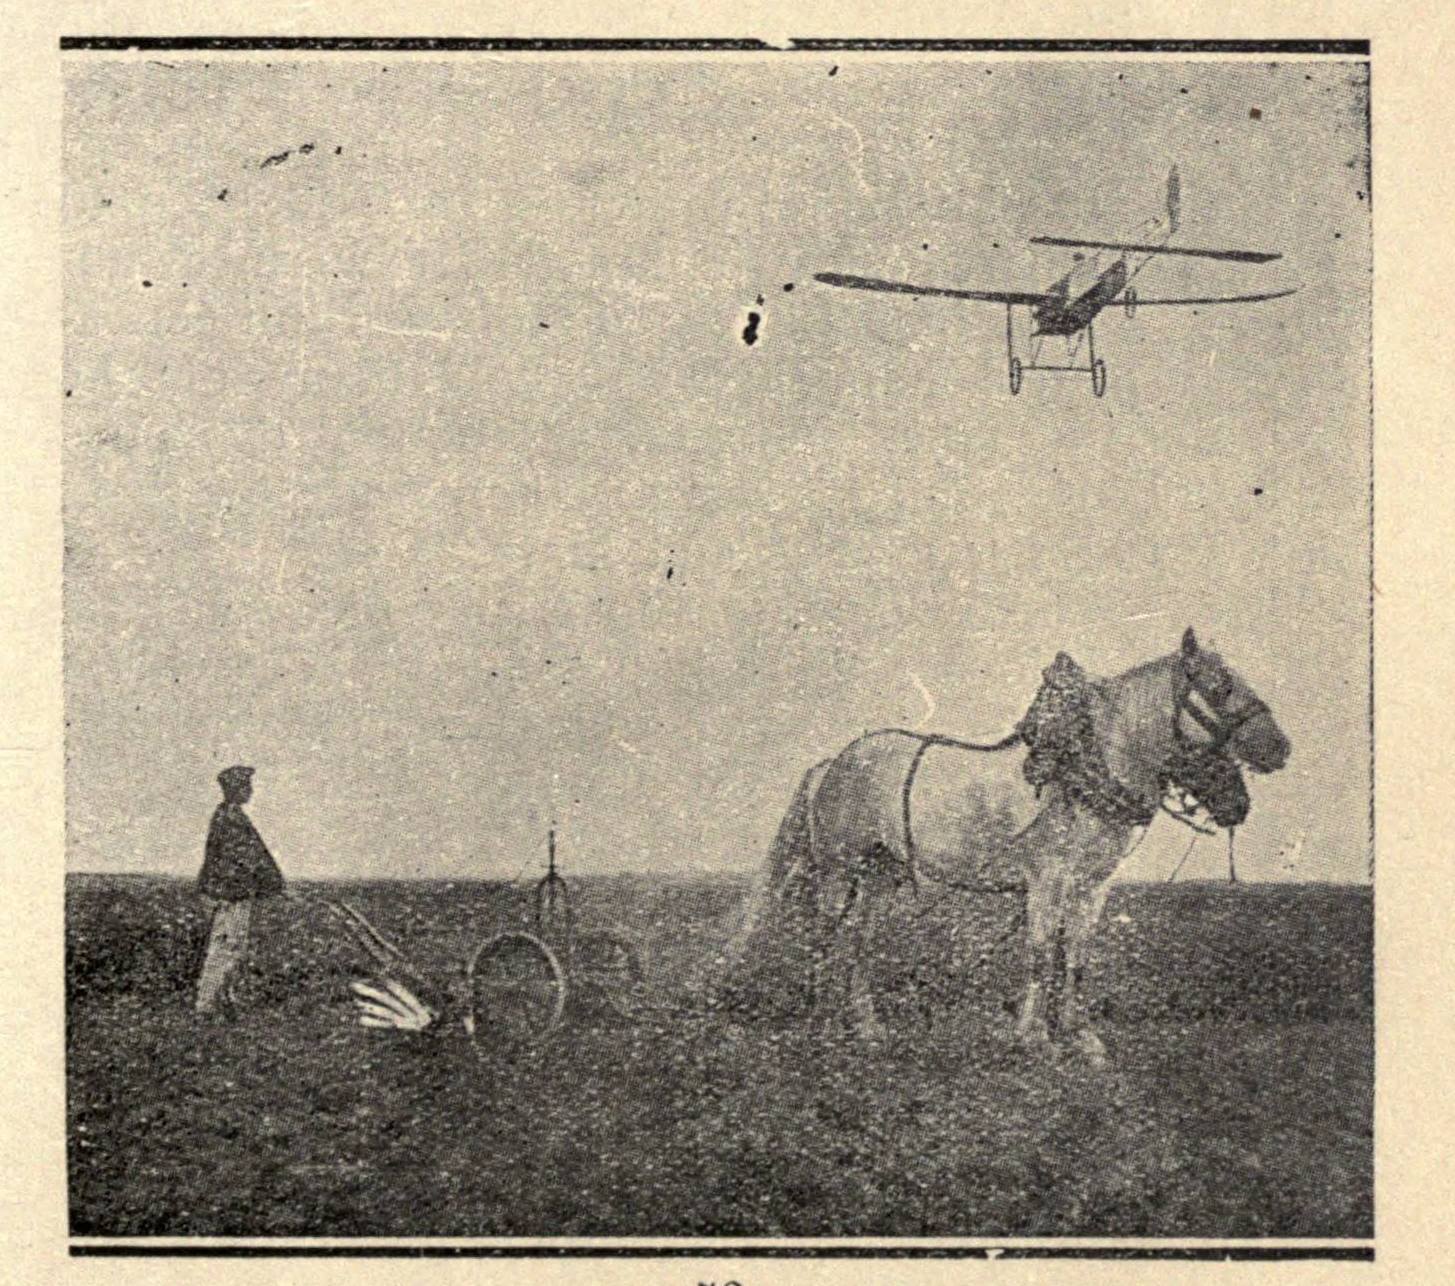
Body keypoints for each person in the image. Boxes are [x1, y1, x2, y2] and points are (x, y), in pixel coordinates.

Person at [194, 765, 286, 1017]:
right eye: (246, 786)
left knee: (229, 947)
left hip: (230, 894)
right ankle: (209, 1005)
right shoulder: (231, 820)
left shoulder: (228, 816)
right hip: (231, 896)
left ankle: (220, 1001)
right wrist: (273, 885)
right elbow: (251, 858)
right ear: (236, 789)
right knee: (227, 947)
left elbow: (253, 857)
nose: (251, 791)